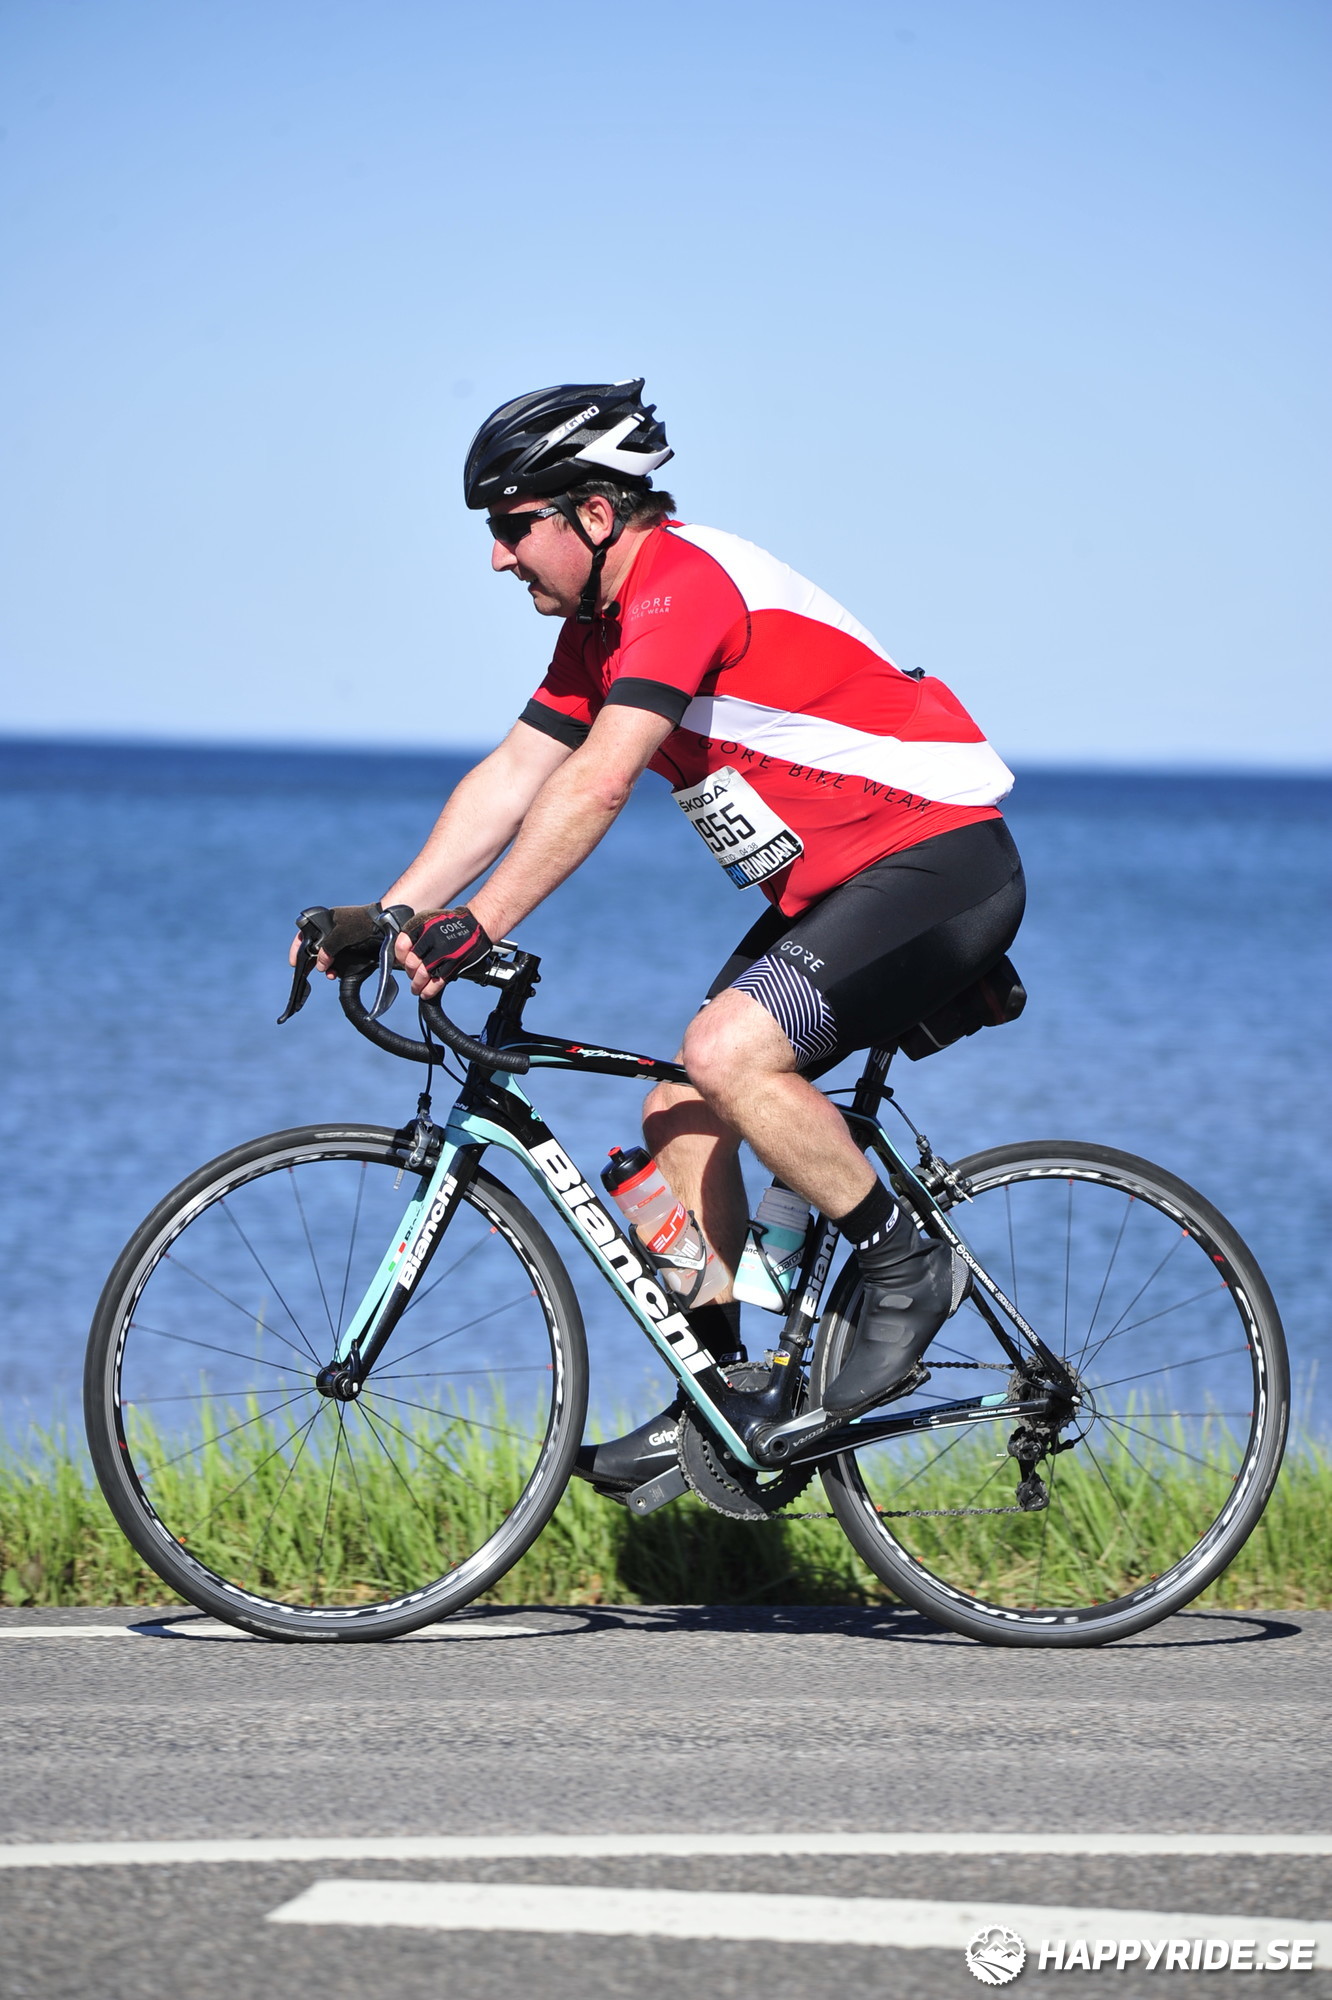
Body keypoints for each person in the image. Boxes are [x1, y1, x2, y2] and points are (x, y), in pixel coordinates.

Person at [296, 379, 1025, 1498]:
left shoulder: (683, 587)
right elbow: (515, 774)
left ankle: (903, 1259)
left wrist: (480, 922)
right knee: (677, 1113)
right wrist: (393, 914)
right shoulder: (600, 632)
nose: (496, 557)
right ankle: (727, 1397)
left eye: (512, 525)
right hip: (838, 888)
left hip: (938, 864)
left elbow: (599, 778)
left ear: (594, 513)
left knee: (729, 1054)